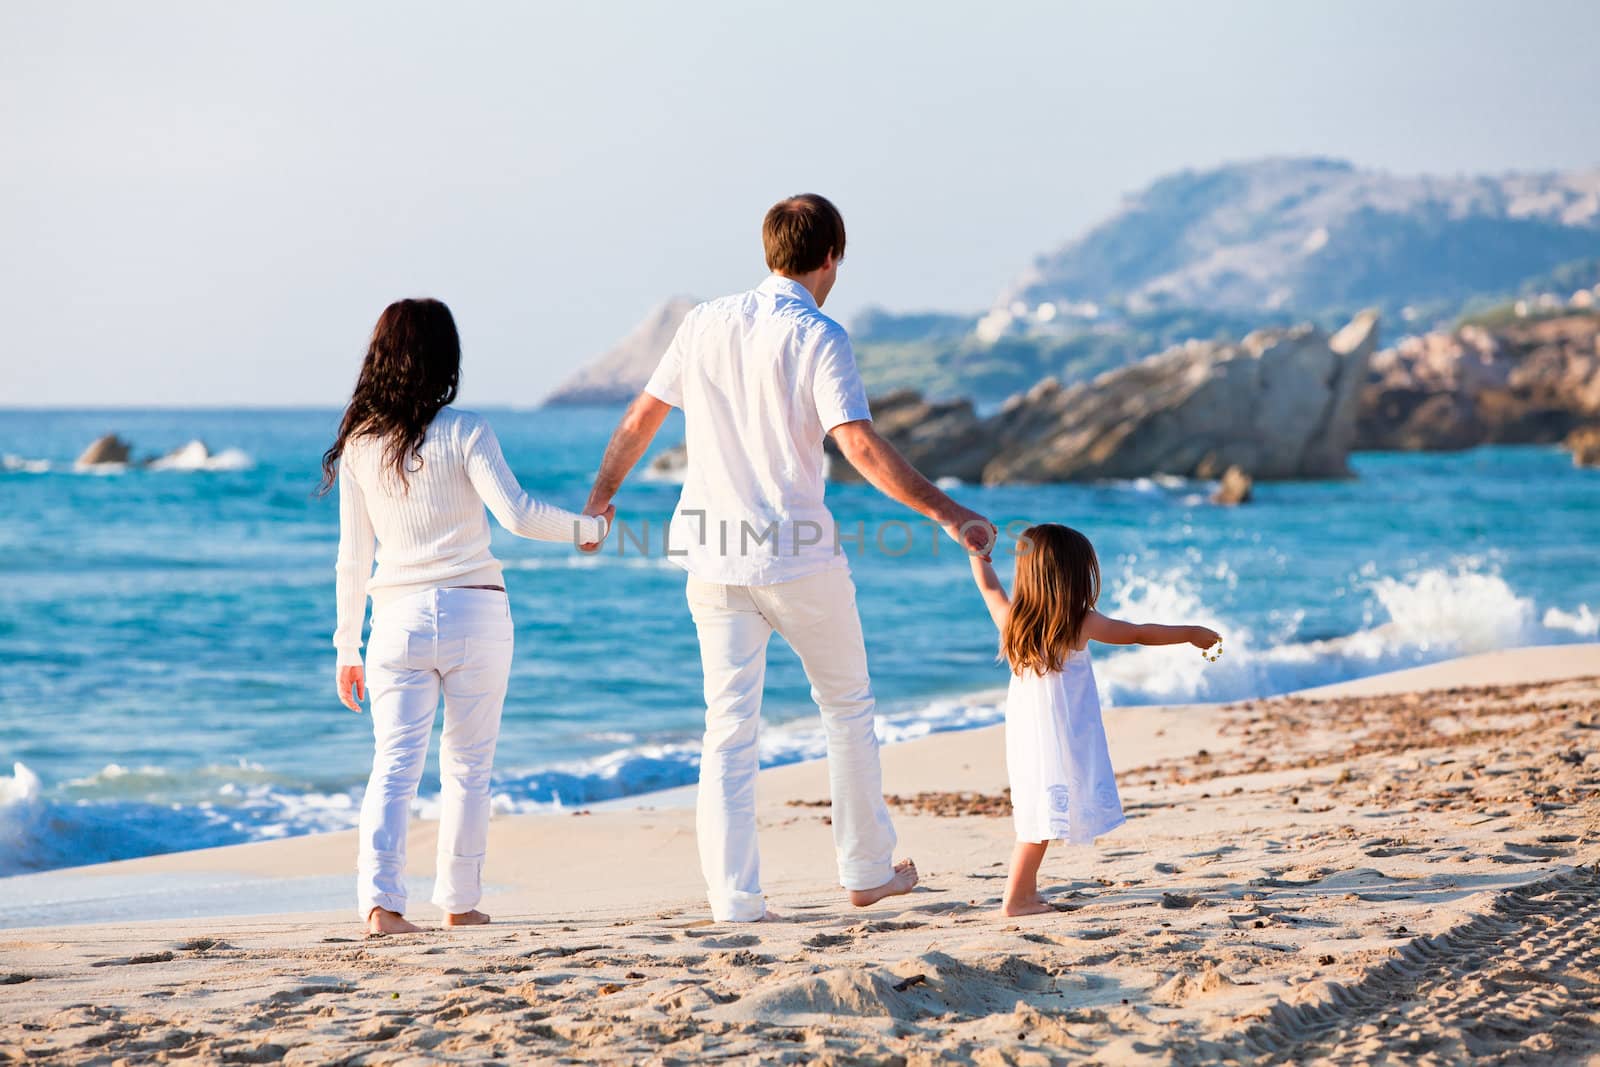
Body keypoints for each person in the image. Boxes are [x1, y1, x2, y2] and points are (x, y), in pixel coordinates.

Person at [580, 194, 995, 922]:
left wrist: (599, 499)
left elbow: (642, 416)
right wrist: (951, 512)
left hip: (711, 554)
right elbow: (858, 444)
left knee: (727, 725)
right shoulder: (819, 334)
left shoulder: (703, 322)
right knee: (846, 707)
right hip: (796, 553)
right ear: (832, 255)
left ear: (770, 251)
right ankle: (866, 870)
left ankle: (734, 899)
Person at [323, 298, 612, 935]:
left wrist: (347, 645)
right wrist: (585, 530)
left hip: (395, 622)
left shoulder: (361, 445)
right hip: (476, 611)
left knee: (393, 765)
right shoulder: (467, 429)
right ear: (444, 358)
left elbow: (353, 557)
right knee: (468, 766)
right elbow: (514, 514)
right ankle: (459, 902)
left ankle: (380, 906)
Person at [967, 523, 1220, 917]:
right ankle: (1016, 899)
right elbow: (1137, 633)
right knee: (1044, 815)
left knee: (1038, 810)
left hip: (1026, 734)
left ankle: (1026, 895)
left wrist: (977, 555)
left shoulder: (1013, 620)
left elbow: (988, 588)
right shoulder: (1078, 621)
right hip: (1063, 732)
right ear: (1071, 576)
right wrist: (1189, 632)